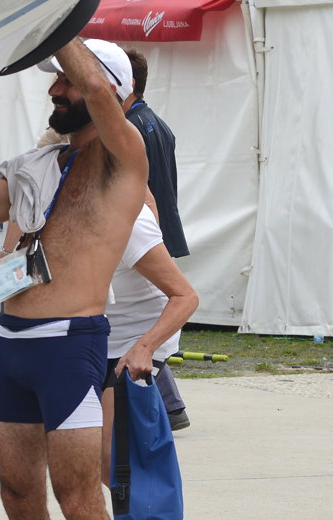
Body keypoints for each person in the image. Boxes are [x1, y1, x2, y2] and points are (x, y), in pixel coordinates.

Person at [0, 37, 147, 520]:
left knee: (78, 499)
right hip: (12, 346)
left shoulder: (122, 160)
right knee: (17, 495)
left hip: (69, 346)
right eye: (54, 81)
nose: (55, 90)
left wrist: (57, 20)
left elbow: (98, 90)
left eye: (66, 82)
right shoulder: (32, 166)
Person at [101, 205, 198, 482]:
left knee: (108, 454)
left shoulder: (130, 223)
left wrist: (145, 348)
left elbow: (186, 297)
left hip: (135, 340)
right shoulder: (57, 209)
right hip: (93, 337)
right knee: (85, 455)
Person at [123, 48, 192, 431]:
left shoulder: (128, 130)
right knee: (145, 317)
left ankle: (167, 407)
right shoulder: (155, 123)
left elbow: (141, 188)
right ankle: (170, 406)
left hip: (144, 234)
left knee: (142, 318)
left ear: (126, 83)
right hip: (155, 231)